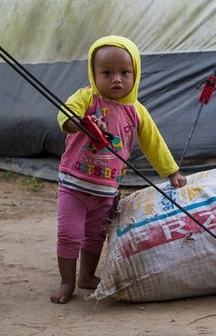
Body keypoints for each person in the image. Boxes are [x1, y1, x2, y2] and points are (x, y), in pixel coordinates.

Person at [50, 35, 186, 304]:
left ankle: (86, 275)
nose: (116, 79)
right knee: (69, 233)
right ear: (93, 73)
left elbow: (153, 143)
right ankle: (67, 282)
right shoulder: (86, 98)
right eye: (107, 73)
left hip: (107, 191)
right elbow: (65, 117)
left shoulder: (136, 111)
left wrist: (172, 173)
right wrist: (81, 123)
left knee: (94, 237)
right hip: (73, 186)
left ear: (135, 73)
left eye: (125, 73)